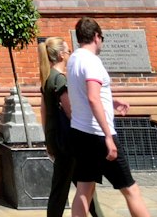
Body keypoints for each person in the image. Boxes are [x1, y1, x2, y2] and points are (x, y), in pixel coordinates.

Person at [66, 19, 151, 217]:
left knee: (84, 189)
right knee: (131, 189)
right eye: (101, 38)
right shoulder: (92, 61)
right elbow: (93, 98)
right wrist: (108, 136)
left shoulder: (73, 59)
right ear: (96, 36)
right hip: (98, 133)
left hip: (79, 132)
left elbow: (83, 93)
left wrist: (111, 102)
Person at [40, 38, 101, 217]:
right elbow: (70, 112)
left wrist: (48, 139)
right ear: (60, 55)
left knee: (79, 184)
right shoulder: (59, 79)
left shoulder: (47, 78)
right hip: (69, 141)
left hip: (58, 139)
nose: (69, 54)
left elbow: (44, 112)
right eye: (67, 51)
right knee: (77, 186)